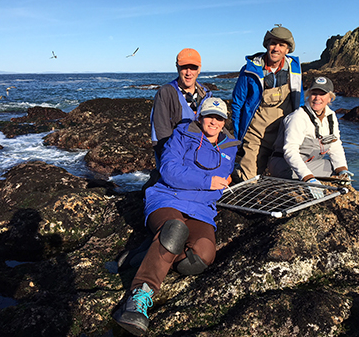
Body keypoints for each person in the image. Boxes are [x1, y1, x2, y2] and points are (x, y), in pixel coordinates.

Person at [113, 98, 240, 336]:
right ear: (200, 116)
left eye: (219, 118)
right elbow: (170, 172)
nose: (213, 122)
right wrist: (206, 181)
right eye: (209, 116)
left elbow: (221, 180)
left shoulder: (230, 147)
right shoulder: (181, 135)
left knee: (199, 259)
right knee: (174, 231)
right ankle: (138, 300)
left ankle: (145, 253)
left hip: (202, 210)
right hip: (168, 198)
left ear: (224, 122)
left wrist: (198, 179)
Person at [231, 25, 304, 183]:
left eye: (281, 45)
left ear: (287, 49)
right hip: (255, 134)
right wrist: (238, 137)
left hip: (283, 134)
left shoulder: (295, 69)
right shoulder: (249, 70)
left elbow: (300, 102)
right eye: (273, 43)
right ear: (266, 44)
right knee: (247, 180)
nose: (276, 48)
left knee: (286, 179)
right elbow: (237, 104)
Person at [267, 76, 353, 197]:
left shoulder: (331, 116)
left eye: (322, 94)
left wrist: (343, 169)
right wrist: (308, 178)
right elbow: (289, 151)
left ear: (330, 98)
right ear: (308, 94)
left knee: (335, 168)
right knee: (331, 172)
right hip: (284, 166)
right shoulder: (298, 117)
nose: (317, 98)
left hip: (309, 163)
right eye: (314, 93)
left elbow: (335, 145)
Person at [150, 48, 212, 166]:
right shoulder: (165, 93)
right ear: (177, 67)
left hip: (200, 159)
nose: (188, 73)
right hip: (174, 160)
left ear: (199, 69)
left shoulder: (206, 94)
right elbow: (160, 133)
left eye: (193, 67)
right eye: (184, 67)